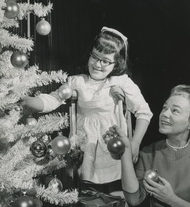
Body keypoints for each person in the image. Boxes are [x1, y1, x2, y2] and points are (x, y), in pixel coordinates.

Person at [22, 26, 153, 193]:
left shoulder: (121, 82)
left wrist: (135, 143)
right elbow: (53, 99)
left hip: (111, 143)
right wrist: (28, 101)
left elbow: (144, 113)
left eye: (105, 61)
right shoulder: (77, 82)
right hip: (85, 145)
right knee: (87, 189)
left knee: (115, 190)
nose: (98, 64)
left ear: (117, 63)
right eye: (95, 57)